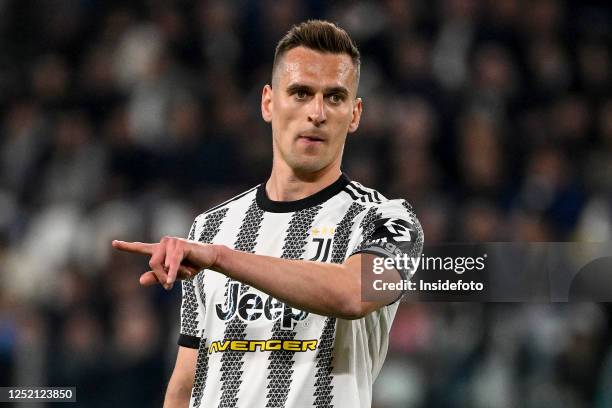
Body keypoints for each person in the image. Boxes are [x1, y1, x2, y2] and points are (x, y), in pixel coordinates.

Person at [112, 20, 423, 408]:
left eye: (335, 97)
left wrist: (221, 259)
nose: (317, 113)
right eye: (300, 93)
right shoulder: (210, 228)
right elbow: (188, 381)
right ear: (268, 103)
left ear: (355, 114)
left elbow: (352, 293)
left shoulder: (388, 220)